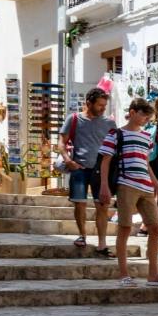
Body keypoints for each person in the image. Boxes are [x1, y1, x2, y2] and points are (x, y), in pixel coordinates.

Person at [100, 98, 158, 284]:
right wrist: (104, 186)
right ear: (132, 112)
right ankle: (123, 274)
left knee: (155, 229)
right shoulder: (115, 134)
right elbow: (105, 161)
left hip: (146, 187)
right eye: (143, 116)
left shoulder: (146, 137)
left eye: (148, 118)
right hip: (126, 185)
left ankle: (154, 275)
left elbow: (146, 164)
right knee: (124, 228)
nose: (145, 120)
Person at [61, 90, 116, 254]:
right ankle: (82, 235)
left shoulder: (109, 123)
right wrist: (67, 160)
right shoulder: (74, 119)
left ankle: (102, 243)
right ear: (88, 102)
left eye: (104, 105)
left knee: (102, 206)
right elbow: (61, 142)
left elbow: (115, 147)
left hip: (101, 170)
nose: (102, 108)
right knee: (79, 203)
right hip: (79, 167)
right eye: (100, 105)